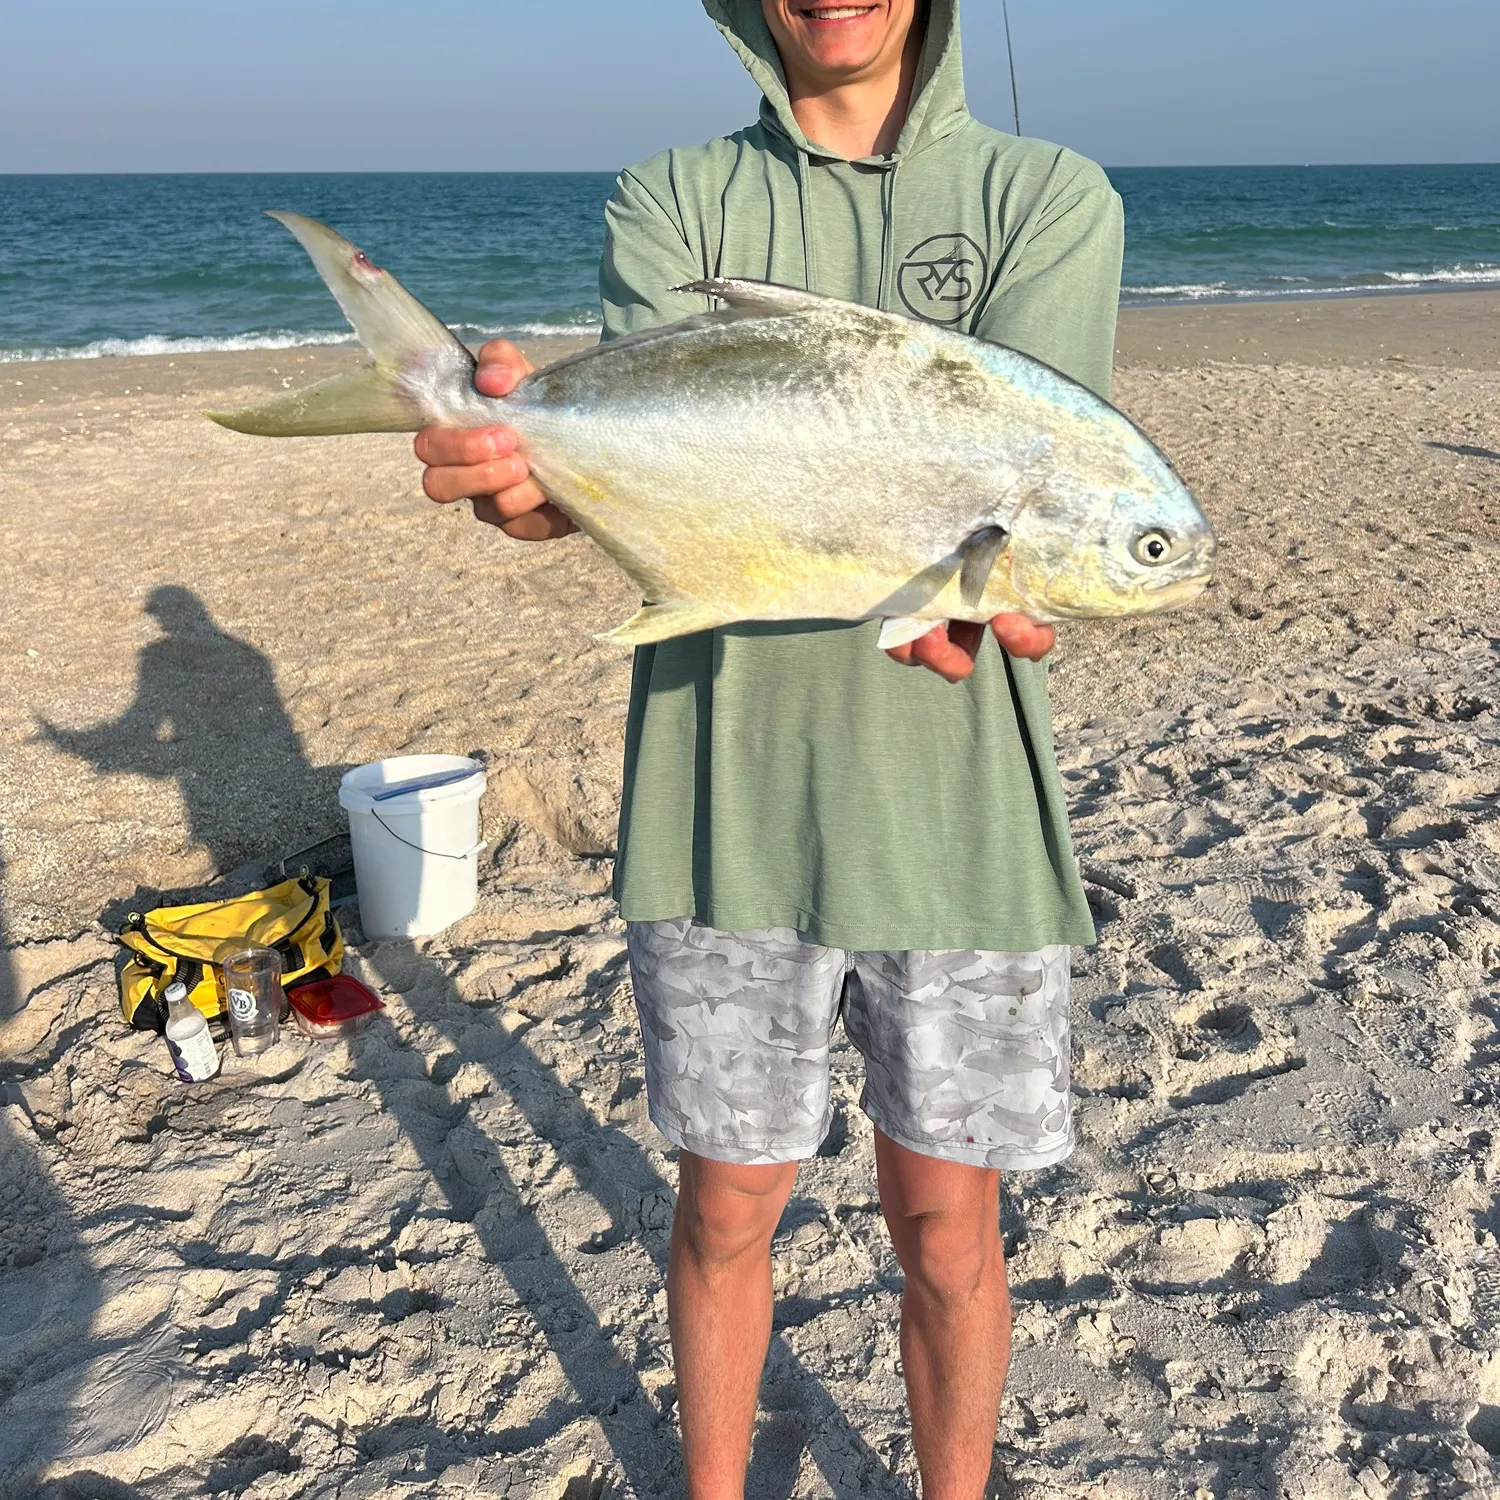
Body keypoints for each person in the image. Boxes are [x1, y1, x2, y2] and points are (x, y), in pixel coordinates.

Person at [416, 3, 1123, 1496]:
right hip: (722, 792)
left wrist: (1009, 601)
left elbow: (1031, 506)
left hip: (958, 813)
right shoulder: (674, 199)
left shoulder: (1044, 200)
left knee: (946, 1226)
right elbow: (663, 467)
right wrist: (543, 492)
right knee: (728, 1207)